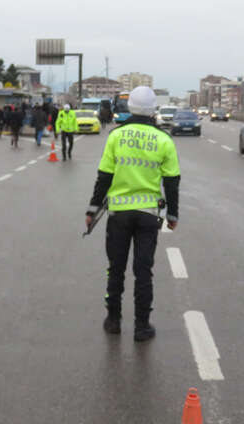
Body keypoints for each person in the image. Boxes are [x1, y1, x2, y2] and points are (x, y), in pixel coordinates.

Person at [84, 86, 180, 342]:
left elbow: (104, 176)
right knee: (143, 270)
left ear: (131, 107)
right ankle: (142, 326)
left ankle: (113, 320)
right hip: (148, 215)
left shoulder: (117, 136)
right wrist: (173, 215)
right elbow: (172, 181)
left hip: (118, 215)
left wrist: (92, 210)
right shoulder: (163, 140)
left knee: (115, 269)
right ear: (153, 110)